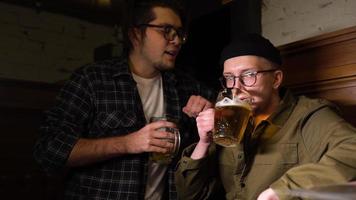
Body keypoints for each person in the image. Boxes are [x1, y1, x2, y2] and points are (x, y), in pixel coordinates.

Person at [33, 1, 215, 199]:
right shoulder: (92, 79)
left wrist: (211, 111)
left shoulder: (188, 88)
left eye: (179, 33)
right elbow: (49, 150)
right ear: (135, 34)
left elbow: (228, 120)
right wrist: (128, 143)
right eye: (166, 30)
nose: (177, 40)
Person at [174, 33, 356, 200]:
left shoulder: (307, 116)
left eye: (249, 75)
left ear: (276, 79)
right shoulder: (229, 121)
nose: (236, 88)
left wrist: (284, 190)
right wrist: (204, 143)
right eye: (230, 78)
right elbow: (189, 195)